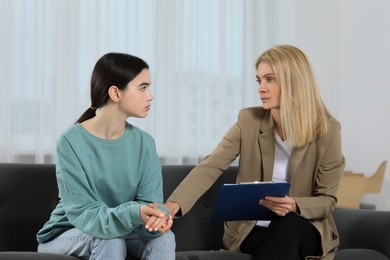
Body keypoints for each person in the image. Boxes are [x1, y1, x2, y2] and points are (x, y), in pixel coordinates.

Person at [153, 45, 345, 260]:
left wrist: (295, 205)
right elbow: (212, 165)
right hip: (254, 231)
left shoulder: (327, 131)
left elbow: (327, 200)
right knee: (273, 241)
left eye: (269, 79)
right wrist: (172, 206)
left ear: (294, 81)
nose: (261, 88)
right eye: (259, 80)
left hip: (304, 228)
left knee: (287, 223)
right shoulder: (248, 121)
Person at [36, 53, 175, 260]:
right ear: (115, 93)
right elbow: (86, 213)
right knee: (108, 239)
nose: (150, 96)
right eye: (143, 87)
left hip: (122, 229)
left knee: (164, 238)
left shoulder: (145, 143)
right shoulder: (70, 141)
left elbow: (149, 205)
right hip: (67, 234)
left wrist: (158, 217)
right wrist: (135, 212)